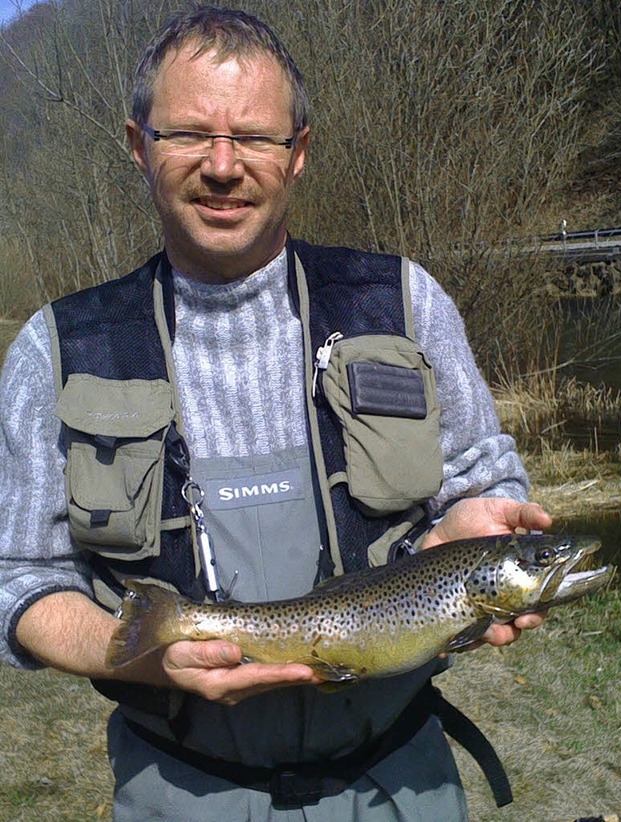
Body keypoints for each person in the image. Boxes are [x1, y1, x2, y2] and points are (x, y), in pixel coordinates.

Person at [0, 6, 551, 821]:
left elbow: (482, 477)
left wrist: (479, 518)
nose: (223, 166)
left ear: (297, 155)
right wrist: (143, 657)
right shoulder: (58, 349)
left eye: (255, 137)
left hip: (401, 780)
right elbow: (18, 578)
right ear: (136, 145)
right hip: (179, 790)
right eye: (189, 133)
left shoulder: (400, 303)